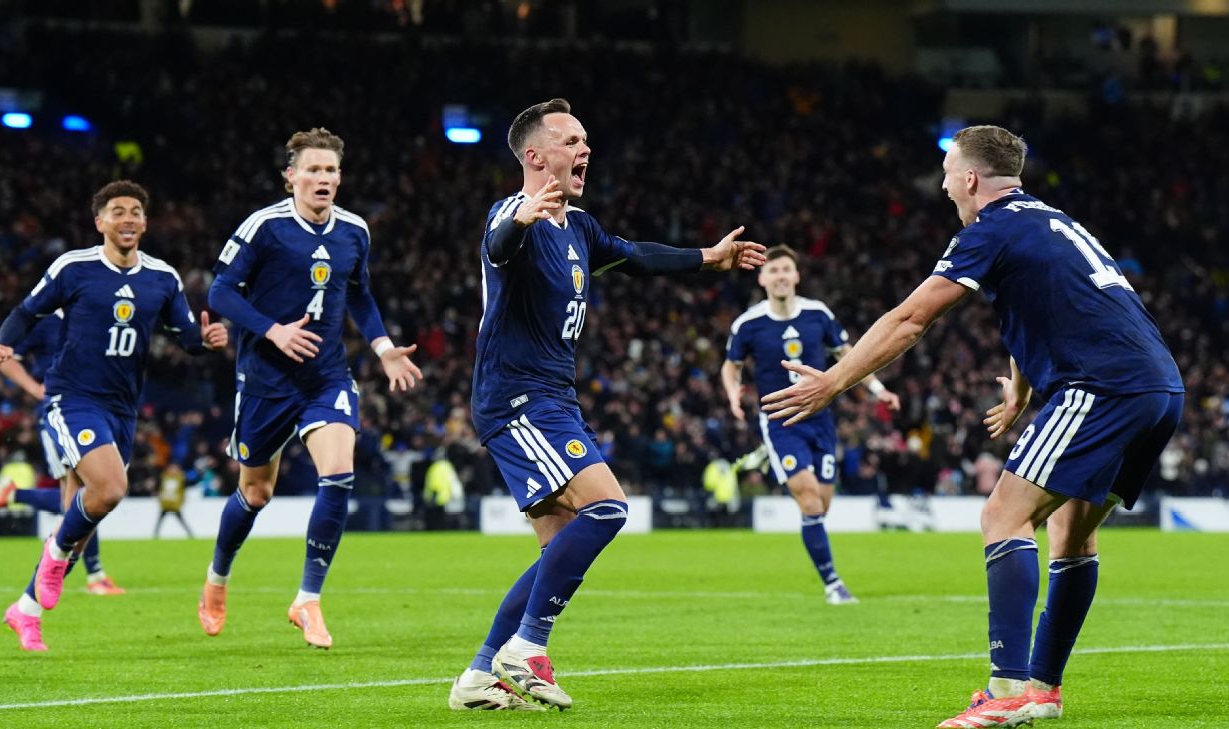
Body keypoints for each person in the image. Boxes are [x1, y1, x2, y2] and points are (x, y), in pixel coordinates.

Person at [760, 125, 1183, 727]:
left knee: (1002, 516)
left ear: (970, 178)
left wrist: (832, 382)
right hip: (1159, 387)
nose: (943, 187)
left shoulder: (990, 229)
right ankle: (1042, 690)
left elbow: (911, 319)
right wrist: (1023, 392)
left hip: (1102, 386)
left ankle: (1006, 689)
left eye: (947, 174)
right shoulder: (1049, 220)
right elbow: (1041, 307)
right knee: (1072, 534)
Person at [448, 98, 766, 712]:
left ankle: (480, 675)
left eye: (585, 140)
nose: (584, 149)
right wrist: (521, 219)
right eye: (570, 141)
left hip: (551, 396)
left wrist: (708, 257)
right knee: (608, 507)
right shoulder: (514, 214)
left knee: (557, 547)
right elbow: (498, 246)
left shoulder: (580, 227)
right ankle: (527, 648)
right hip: (518, 397)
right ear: (534, 156)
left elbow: (636, 257)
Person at [199, 128, 422, 649]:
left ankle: (307, 598)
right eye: (314, 169)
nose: (323, 178)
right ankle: (217, 577)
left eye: (331, 170)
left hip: (326, 376)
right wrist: (272, 330)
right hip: (266, 379)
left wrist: (383, 347)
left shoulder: (354, 231)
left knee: (339, 474)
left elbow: (360, 295)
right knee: (256, 492)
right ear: (291, 176)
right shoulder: (265, 227)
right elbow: (220, 292)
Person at [0, 180, 228, 651]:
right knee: (111, 488)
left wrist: (206, 341)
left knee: (82, 518)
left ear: (145, 222)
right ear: (99, 222)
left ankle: (26, 611)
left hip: (122, 408)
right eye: (118, 211)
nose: (128, 218)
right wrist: (2, 342)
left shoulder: (162, 278)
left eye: (136, 211)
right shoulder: (74, 268)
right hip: (73, 397)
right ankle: (54, 555)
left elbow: (186, 337)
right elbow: (27, 311)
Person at [721, 245, 900, 604]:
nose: (780, 276)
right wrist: (732, 394)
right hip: (780, 421)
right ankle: (834, 584)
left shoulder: (818, 314)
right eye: (773, 271)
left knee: (821, 504)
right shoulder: (748, 324)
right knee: (809, 500)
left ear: (797, 275)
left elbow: (849, 356)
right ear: (762, 278)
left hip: (821, 420)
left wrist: (878, 390)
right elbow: (731, 365)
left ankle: (824, 563)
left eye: (786, 269)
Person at [0, 312, 126, 595]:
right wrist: (35, 389)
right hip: (60, 417)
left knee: (79, 498)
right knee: (86, 495)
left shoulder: (93, 313)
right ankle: (94, 575)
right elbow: (5, 357)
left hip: (92, 415)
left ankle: (14, 495)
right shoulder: (46, 320)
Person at [154, 462, 193, 538]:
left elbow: (183, 491)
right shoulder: (163, 477)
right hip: (166, 503)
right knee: (160, 520)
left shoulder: (181, 479)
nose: (172, 470)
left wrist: (181, 501)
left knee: (181, 520)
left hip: (175, 504)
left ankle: (190, 534)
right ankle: (155, 535)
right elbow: (159, 490)